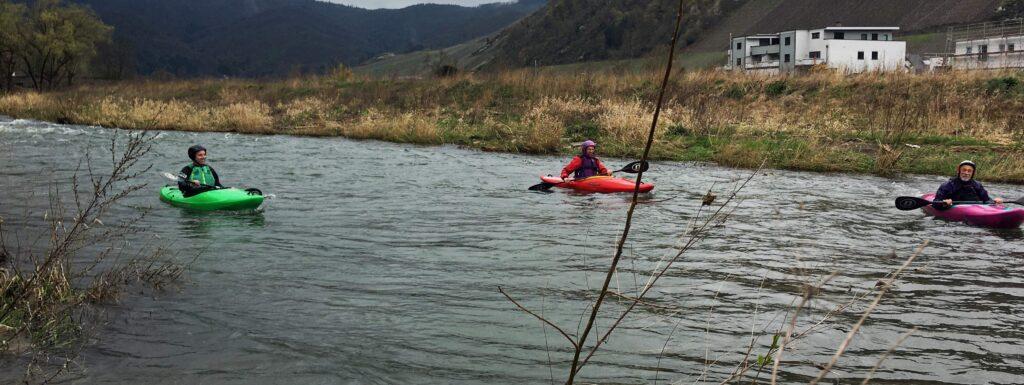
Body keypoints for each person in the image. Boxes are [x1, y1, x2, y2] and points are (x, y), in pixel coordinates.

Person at [934, 160, 1002, 209]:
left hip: (975, 208)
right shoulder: (947, 185)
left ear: (972, 173)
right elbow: (935, 203)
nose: (966, 173)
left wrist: (994, 202)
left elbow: (986, 200)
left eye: (969, 171)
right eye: (964, 170)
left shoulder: (977, 185)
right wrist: (943, 203)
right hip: (955, 208)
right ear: (959, 171)